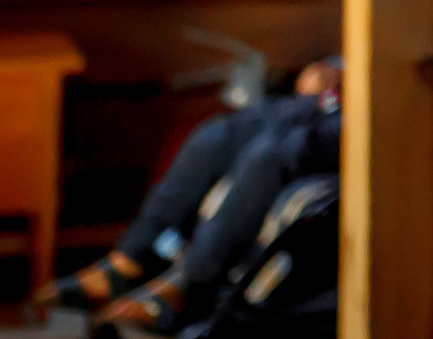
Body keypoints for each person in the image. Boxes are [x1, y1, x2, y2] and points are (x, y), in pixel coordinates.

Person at [56, 59, 342, 334]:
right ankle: (130, 261)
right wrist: (330, 68)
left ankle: (191, 287)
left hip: (367, 113)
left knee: (271, 155)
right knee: (217, 135)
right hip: (335, 97)